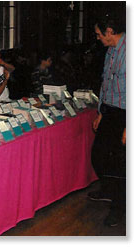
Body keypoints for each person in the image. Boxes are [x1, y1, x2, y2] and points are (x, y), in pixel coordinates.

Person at [88, 13, 126, 227]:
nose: (97, 37)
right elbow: (106, 82)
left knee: (120, 163)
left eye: (98, 34)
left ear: (110, 32)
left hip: (125, 113)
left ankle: (120, 207)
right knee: (99, 155)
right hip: (110, 110)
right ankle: (110, 191)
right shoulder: (110, 50)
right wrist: (101, 112)